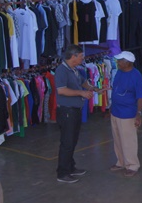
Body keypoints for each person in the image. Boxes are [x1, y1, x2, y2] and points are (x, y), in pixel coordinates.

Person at [55, 45, 96, 183]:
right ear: (74, 56)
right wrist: (81, 93)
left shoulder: (75, 69)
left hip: (75, 110)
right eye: (81, 56)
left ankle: (70, 167)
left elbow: (83, 82)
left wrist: (94, 89)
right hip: (67, 111)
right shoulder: (61, 71)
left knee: (72, 140)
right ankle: (62, 173)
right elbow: (61, 90)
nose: (83, 58)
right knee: (67, 142)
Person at [109, 51, 142, 178]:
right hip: (115, 111)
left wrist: (138, 114)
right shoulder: (120, 72)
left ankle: (132, 165)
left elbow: (140, 97)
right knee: (117, 139)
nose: (118, 62)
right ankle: (121, 162)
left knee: (128, 141)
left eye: (120, 60)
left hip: (127, 114)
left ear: (128, 63)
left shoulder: (136, 76)